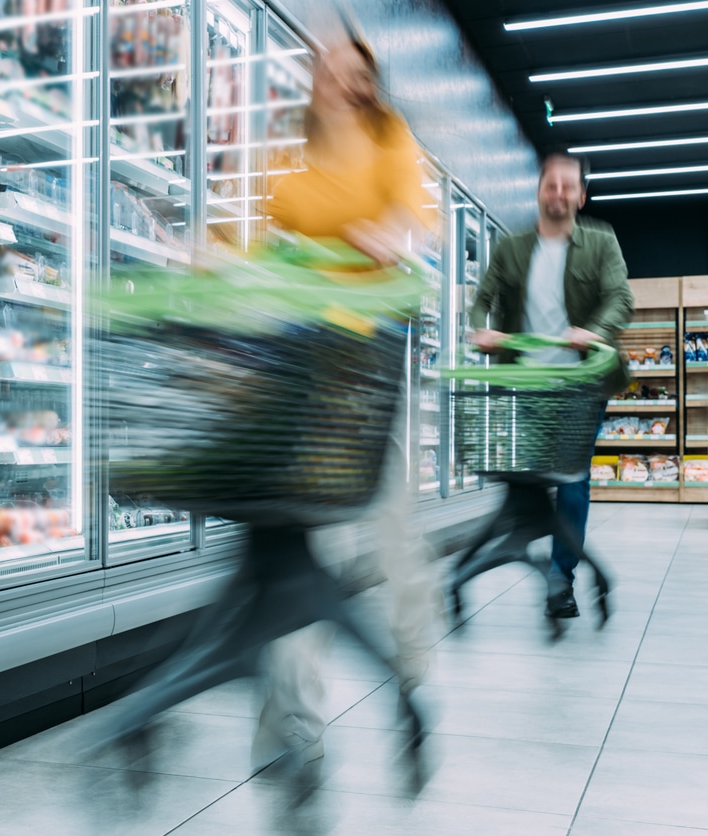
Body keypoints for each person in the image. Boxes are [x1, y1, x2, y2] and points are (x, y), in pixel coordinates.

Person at [254, 26, 441, 770]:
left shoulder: (391, 143)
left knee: (397, 537)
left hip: (369, 372)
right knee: (309, 549)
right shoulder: (291, 171)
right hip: (308, 375)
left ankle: (414, 672)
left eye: (356, 73)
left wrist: (389, 235)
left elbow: (413, 216)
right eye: (330, 70)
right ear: (315, 81)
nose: (342, 83)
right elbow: (271, 253)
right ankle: (296, 718)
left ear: (369, 85)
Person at [469, 151, 633, 618]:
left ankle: (562, 578)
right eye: (550, 184)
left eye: (567, 185)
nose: (558, 192)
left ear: (581, 196)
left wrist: (596, 330)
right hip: (522, 384)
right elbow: (481, 298)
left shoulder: (602, 242)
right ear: (539, 191)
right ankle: (528, 550)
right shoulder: (512, 249)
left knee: (573, 481)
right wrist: (479, 328)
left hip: (580, 384)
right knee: (523, 482)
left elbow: (621, 295)